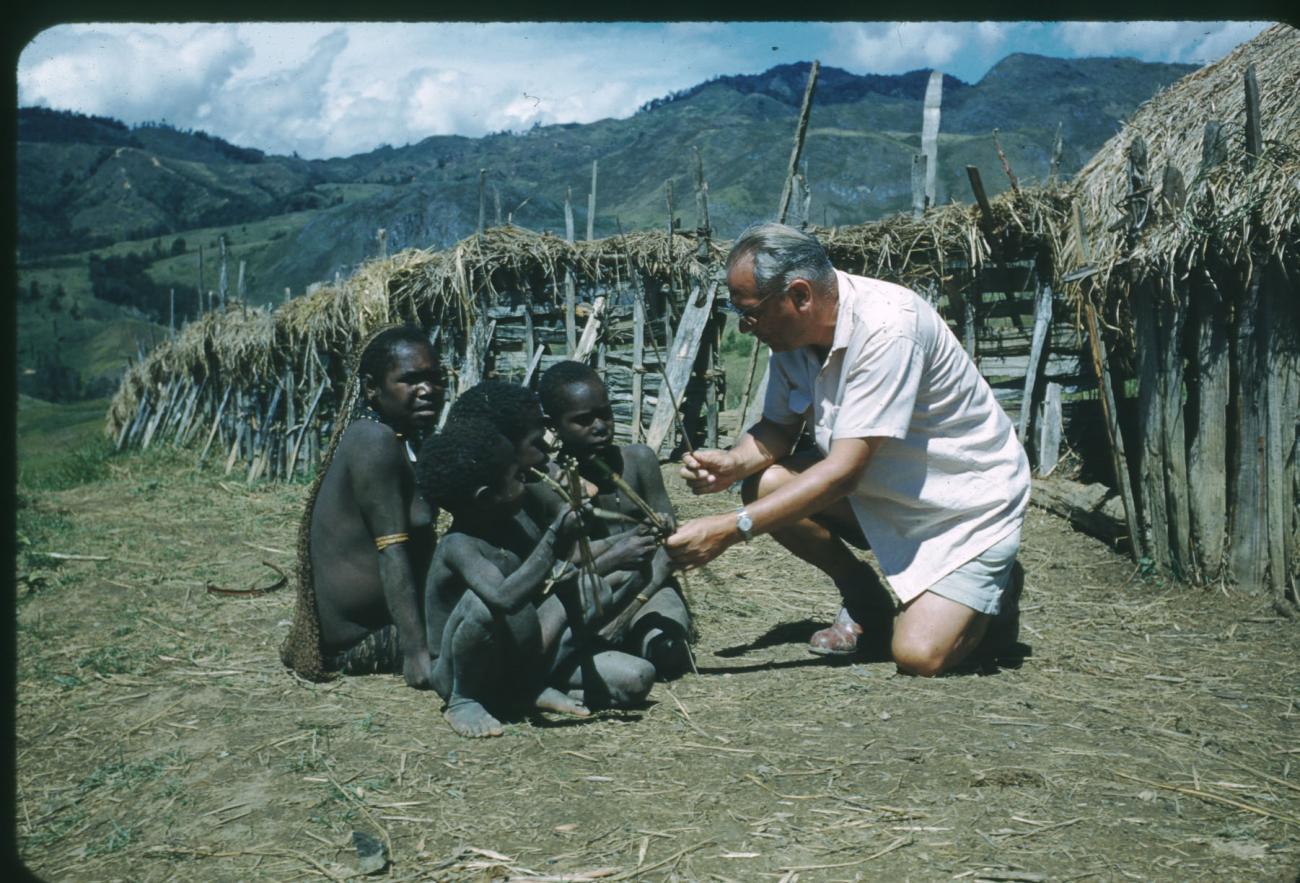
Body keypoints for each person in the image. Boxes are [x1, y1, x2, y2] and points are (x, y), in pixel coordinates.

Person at [665, 223, 1029, 677]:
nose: (745, 326)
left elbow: (843, 473)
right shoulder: (793, 337)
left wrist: (729, 530)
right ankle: (866, 599)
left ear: (799, 296)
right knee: (765, 484)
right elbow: (779, 425)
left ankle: (993, 594)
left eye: (751, 312)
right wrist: (734, 464)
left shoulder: (888, 328)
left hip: (964, 507)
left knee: (919, 657)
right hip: (889, 489)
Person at [419, 416, 654, 738]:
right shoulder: (458, 546)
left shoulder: (512, 522)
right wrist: (555, 534)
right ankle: (464, 701)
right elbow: (503, 597)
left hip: (517, 662)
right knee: (483, 604)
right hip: (458, 673)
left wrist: (631, 540)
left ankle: (522, 691)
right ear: (486, 497)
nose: (528, 478)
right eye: (517, 476)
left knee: (637, 676)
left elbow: (561, 567)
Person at [280, 325, 445, 686]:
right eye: (411, 379)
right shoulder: (374, 441)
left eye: (435, 378)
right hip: (365, 639)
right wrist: (417, 651)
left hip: (383, 625)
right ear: (372, 388)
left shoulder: (395, 438)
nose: (428, 390)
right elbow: (392, 550)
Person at [534, 360, 693, 680]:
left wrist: (628, 613)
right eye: (583, 420)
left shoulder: (639, 460)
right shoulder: (551, 483)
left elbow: (670, 549)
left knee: (668, 651)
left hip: (652, 585)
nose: (600, 426)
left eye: (605, 413)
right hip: (592, 591)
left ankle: (631, 639)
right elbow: (562, 565)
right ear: (553, 425)